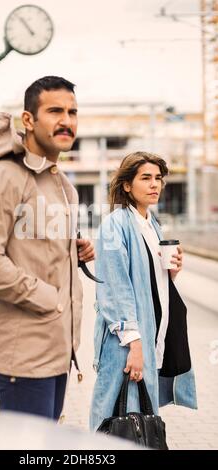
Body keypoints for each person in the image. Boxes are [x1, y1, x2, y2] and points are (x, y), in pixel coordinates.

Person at [0, 76, 95, 420]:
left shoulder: (61, 183)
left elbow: (32, 244)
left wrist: (73, 250)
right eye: (54, 111)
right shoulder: (0, 177)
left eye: (72, 112)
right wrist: (47, 298)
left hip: (58, 347)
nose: (66, 121)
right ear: (28, 120)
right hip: (23, 351)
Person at [90, 151, 197, 431]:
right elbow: (114, 288)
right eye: (146, 178)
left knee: (137, 420)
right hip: (124, 341)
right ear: (127, 185)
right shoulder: (115, 226)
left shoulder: (153, 225)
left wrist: (171, 271)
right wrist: (134, 344)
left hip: (149, 336)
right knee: (113, 420)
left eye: (158, 179)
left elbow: (151, 281)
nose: (154, 185)